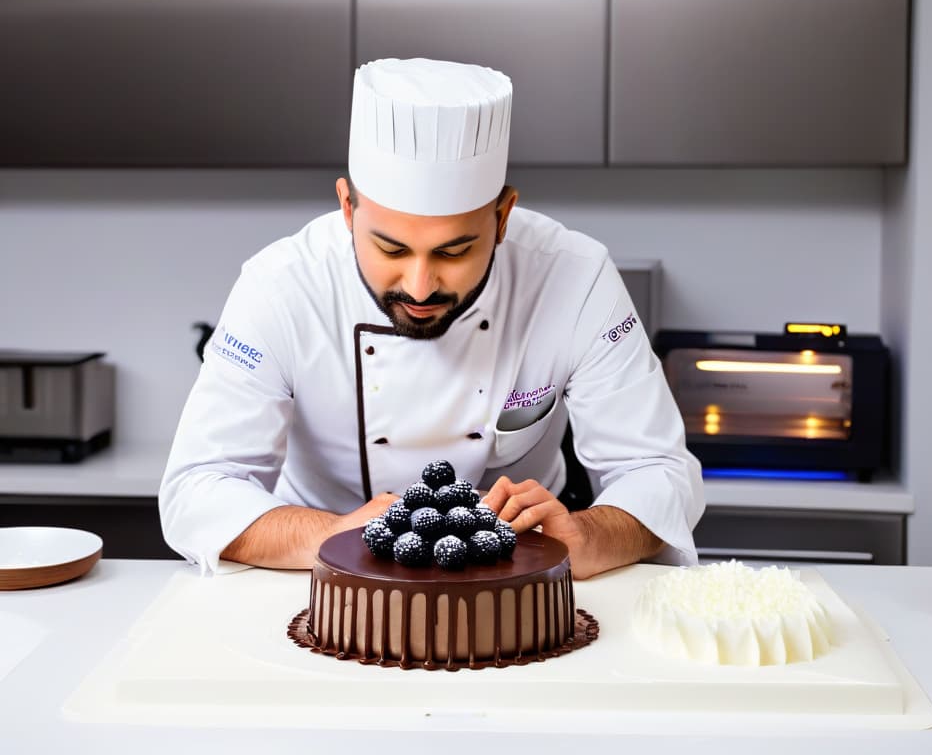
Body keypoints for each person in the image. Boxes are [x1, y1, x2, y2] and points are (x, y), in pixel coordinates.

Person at [159, 58, 704, 579]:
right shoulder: (279, 287)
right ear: (347, 210)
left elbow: (660, 472)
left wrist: (589, 535)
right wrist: (335, 535)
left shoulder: (577, 279)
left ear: (503, 215)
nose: (420, 286)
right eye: (391, 250)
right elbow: (197, 489)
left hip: (525, 571)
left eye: (454, 251)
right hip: (309, 574)